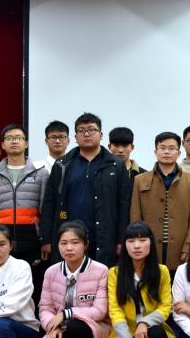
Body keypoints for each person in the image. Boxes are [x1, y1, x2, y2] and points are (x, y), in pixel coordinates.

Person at [40, 113, 131, 267]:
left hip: (104, 237)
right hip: (69, 237)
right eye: (81, 130)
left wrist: (121, 239)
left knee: (101, 279)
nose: (87, 134)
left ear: (101, 135)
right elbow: (50, 203)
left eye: (91, 130)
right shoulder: (62, 164)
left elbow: (124, 205)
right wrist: (46, 239)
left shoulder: (116, 165)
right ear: (75, 137)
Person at [35, 220, 111, 338]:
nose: (69, 248)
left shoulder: (101, 270)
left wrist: (66, 314)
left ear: (86, 245)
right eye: (64, 243)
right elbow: (45, 307)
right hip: (62, 328)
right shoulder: (51, 272)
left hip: (94, 328)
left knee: (77, 327)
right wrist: (52, 326)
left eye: (75, 243)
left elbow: (100, 311)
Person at [0, 123, 50, 312]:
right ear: (2, 145)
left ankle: (34, 327)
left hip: (32, 242)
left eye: (18, 138)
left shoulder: (40, 173)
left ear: (26, 143)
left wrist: (46, 240)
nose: (14, 142)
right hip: (2, 243)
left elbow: (45, 211)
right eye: (9, 138)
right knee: (4, 289)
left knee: (34, 288)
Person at [107, 222, 175, 338]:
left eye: (142, 240)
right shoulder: (114, 273)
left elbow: (166, 306)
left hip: (152, 332)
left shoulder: (162, 271)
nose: (137, 246)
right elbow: (115, 310)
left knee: (157, 333)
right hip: (127, 331)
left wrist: (145, 322)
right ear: (125, 245)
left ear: (151, 243)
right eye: (131, 241)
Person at [130, 132, 190, 273]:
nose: (167, 152)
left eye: (171, 148)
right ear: (155, 152)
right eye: (162, 148)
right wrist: (138, 243)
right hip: (149, 245)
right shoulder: (140, 180)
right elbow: (135, 216)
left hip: (180, 248)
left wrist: (189, 245)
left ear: (179, 153)